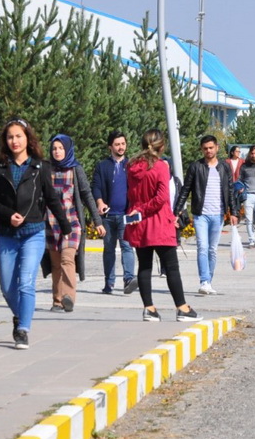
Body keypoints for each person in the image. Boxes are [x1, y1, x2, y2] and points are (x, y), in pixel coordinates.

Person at [0, 118, 71, 350]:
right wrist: (7, 214)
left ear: (27, 139)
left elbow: (52, 198)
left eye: (19, 136)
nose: (14, 140)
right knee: (6, 286)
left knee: (26, 284)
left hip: (33, 232)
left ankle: (23, 329)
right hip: (6, 233)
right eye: (10, 137)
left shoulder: (40, 167)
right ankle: (19, 314)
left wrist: (65, 226)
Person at [125, 129, 202, 323]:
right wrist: (145, 209)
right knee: (171, 267)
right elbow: (161, 198)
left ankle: (149, 309)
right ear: (162, 146)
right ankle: (182, 308)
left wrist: (139, 210)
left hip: (139, 222)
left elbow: (131, 194)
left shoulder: (132, 166)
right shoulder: (161, 167)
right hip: (158, 222)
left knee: (144, 266)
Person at [44, 134, 105, 313]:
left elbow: (87, 195)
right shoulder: (46, 169)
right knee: (55, 264)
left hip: (71, 223)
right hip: (50, 223)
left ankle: (68, 297)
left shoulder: (76, 169)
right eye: (54, 148)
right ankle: (57, 301)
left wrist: (97, 221)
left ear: (68, 149)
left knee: (67, 259)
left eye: (61, 148)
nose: (57, 151)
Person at [174, 135, 238, 296]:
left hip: (218, 215)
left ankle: (209, 281)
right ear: (201, 150)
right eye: (205, 148)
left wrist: (234, 212)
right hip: (200, 214)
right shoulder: (196, 167)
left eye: (211, 147)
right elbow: (185, 190)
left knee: (212, 249)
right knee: (202, 247)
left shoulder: (224, 167)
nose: (208, 151)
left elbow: (230, 190)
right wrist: (176, 212)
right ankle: (204, 281)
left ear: (216, 148)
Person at [91, 130, 136, 294]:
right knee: (109, 249)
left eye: (123, 144)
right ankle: (109, 283)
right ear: (110, 146)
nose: (121, 147)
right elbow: (95, 186)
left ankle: (129, 280)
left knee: (127, 247)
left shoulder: (131, 165)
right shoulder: (102, 166)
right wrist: (100, 201)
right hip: (108, 216)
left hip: (126, 214)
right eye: (117, 144)